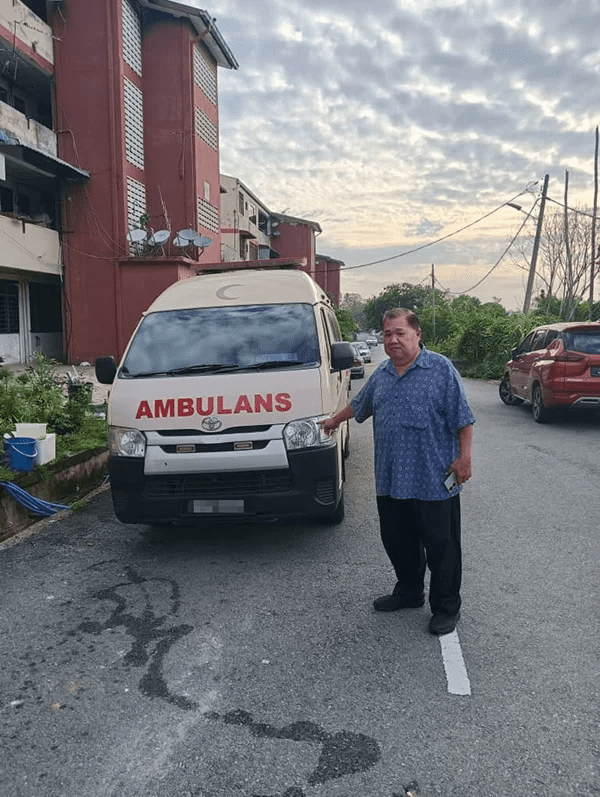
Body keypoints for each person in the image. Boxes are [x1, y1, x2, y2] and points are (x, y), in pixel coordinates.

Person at [322, 308, 474, 635]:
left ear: (417, 334)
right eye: (387, 334)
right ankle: (409, 593)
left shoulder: (440, 370)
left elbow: (463, 418)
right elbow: (361, 404)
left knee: (442, 547)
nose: (392, 340)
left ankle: (447, 608)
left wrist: (465, 458)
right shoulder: (383, 374)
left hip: (434, 480)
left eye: (400, 333)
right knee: (398, 541)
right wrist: (335, 420)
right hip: (392, 480)